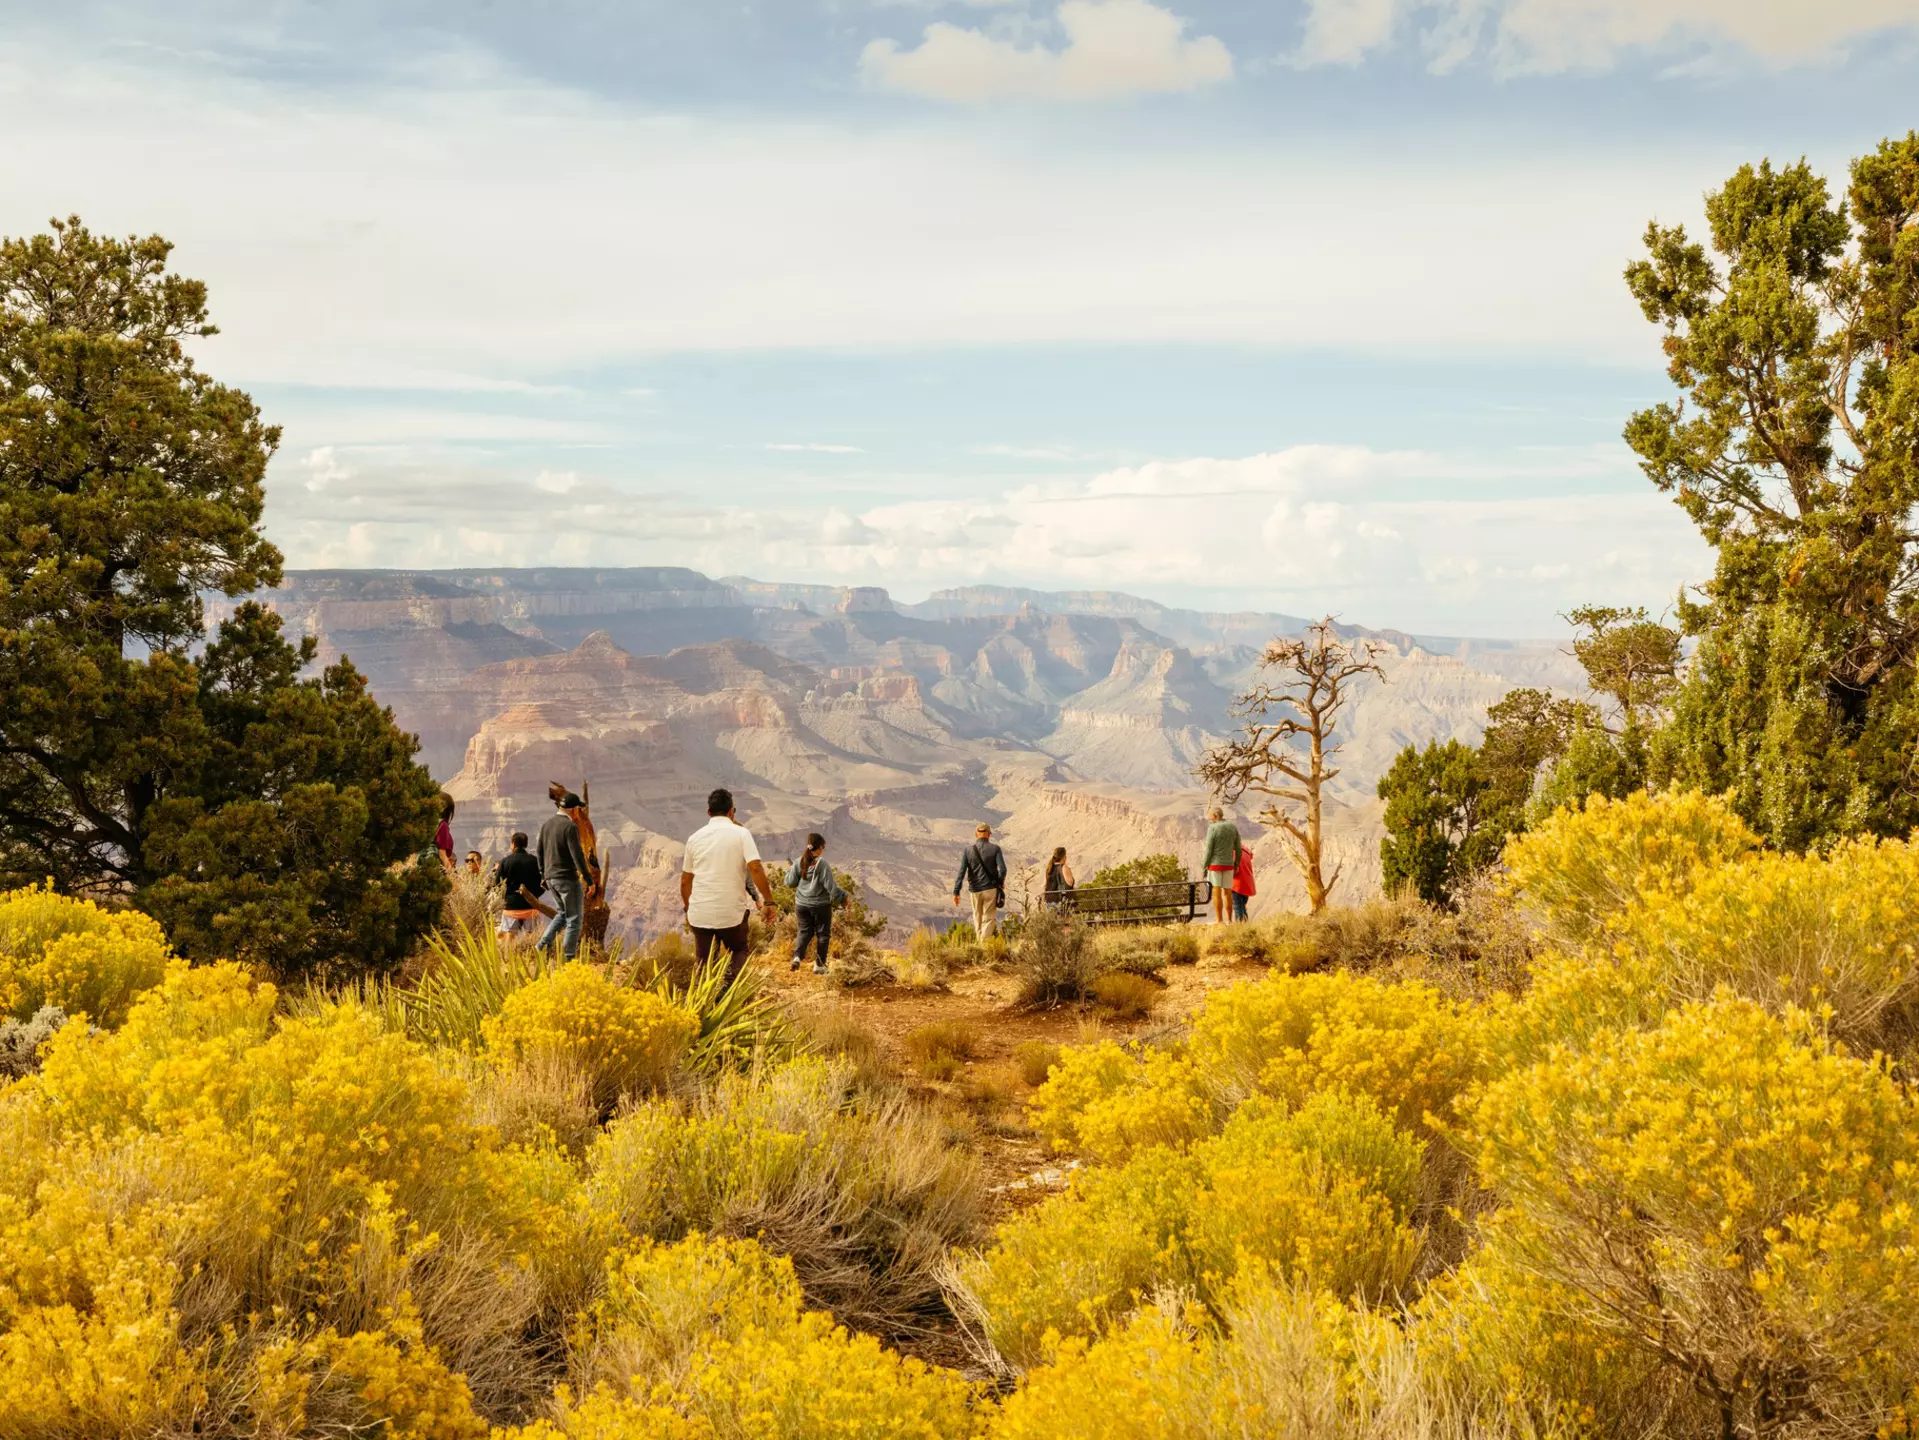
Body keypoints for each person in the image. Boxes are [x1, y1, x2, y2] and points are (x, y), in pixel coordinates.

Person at [682, 787, 776, 983]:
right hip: (731, 915)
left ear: (709, 812)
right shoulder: (741, 834)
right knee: (738, 949)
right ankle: (729, 990)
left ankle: (703, 1001)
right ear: (732, 811)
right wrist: (768, 902)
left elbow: (685, 880)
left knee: (704, 960)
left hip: (700, 914)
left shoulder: (694, 838)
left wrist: (689, 907)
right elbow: (756, 868)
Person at [536, 789, 592, 959]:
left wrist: (543, 875)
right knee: (574, 920)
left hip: (551, 878)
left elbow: (539, 851)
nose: (579, 814)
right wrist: (589, 880)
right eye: (578, 810)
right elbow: (577, 855)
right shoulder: (570, 827)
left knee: (562, 913)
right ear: (574, 810)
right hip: (567, 879)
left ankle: (542, 946)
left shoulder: (547, 824)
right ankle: (568, 958)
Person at [786, 831, 845, 975]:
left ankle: (797, 957)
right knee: (823, 934)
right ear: (818, 848)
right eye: (823, 847)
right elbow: (831, 887)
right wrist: (843, 897)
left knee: (804, 932)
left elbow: (790, 883)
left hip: (801, 905)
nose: (823, 850)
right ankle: (819, 966)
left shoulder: (799, 861)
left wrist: (791, 872)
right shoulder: (822, 863)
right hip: (820, 906)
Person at [952, 821, 1008, 940]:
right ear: (989, 834)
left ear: (976, 834)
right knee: (989, 918)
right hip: (990, 889)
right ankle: (983, 943)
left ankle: (979, 942)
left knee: (977, 916)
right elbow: (1003, 869)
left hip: (974, 890)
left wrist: (956, 892)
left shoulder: (968, 851)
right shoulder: (995, 849)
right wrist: (1000, 882)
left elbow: (962, 872)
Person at [493, 831, 548, 940]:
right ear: (526, 845)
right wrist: (535, 895)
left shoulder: (505, 861)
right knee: (532, 938)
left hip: (511, 906)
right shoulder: (534, 861)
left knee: (509, 938)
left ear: (512, 844)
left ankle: (508, 957)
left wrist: (506, 897)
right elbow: (544, 881)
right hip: (531, 905)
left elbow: (497, 884)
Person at [1202, 806, 1242, 925]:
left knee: (1216, 892)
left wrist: (1204, 865)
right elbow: (1238, 848)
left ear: (1215, 816)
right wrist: (1236, 864)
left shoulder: (1212, 828)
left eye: (1210, 816)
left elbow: (1209, 849)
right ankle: (1229, 920)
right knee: (1228, 893)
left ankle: (1219, 920)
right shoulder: (1232, 827)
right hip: (1229, 865)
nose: (1209, 818)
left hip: (1215, 865)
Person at [1043, 846, 1076, 911]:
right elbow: (1070, 883)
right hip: (1062, 902)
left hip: (1049, 902)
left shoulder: (1049, 869)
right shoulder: (1064, 867)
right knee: (1067, 920)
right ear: (1064, 857)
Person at [1231, 843, 1255, 923]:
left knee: (1238, 907)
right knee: (1242, 907)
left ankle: (1239, 928)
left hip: (1237, 884)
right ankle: (1245, 927)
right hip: (1247, 883)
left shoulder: (1232, 852)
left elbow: (1234, 869)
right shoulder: (1245, 851)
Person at [433, 793, 457, 872]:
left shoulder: (429, 823)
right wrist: (450, 873)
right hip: (437, 869)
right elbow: (442, 853)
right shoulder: (442, 825)